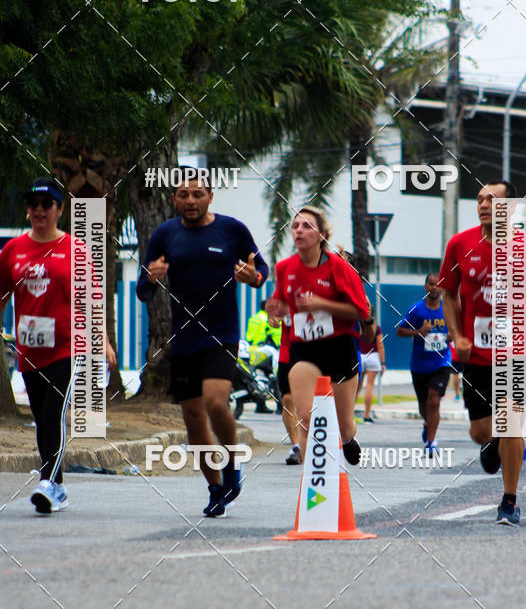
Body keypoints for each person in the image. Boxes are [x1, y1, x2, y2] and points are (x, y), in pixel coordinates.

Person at [136, 170, 268, 517]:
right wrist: (150, 279)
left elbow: (261, 271)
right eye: (183, 195)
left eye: (197, 193)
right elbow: (142, 289)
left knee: (214, 402)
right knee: (192, 417)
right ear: (174, 199)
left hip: (221, 334)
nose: (190, 200)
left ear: (210, 196)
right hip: (183, 339)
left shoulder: (232, 230)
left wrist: (253, 277)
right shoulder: (165, 235)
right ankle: (215, 488)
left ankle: (231, 465)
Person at [438, 181, 526, 526]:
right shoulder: (459, 244)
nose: (483, 204)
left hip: (518, 349)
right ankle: (495, 442)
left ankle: (509, 501)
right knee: (480, 431)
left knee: (511, 420)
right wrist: (456, 335)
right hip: (475, 353)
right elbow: (448, 294)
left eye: (492, 199)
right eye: (479, 199)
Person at [0, 178, 117, 513]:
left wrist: (103, 342)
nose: (39, 210)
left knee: (53, 411)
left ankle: (46, 483)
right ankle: (59, 487)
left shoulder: (75, 250)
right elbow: (2, 292)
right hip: (29, 347)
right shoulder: (14, 250)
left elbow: (93, 300)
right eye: (33, 204)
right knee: (42, 417)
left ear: (59, 210)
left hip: (68, 345)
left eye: (46, 204)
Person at [266, 206, 370, 463]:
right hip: (304, 349)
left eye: (307, 226)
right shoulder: (284, 268)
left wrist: (323, 304)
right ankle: (317, 472)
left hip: (339, 347)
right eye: (295, 226)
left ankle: (347, 439)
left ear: (322, 235)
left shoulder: (339, 268)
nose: (299, 231)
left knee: (344, 424)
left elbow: (359, 310)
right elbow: (281, 302)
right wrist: (276, 312)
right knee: (306, 415)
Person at [396, 273, 451, 454]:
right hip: (419, 364)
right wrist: (418, 332)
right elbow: (400, 331)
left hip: (441, 361)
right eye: (431, 284)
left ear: (442, 288)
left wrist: (452, 336)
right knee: (424, 405)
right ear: (425, 286)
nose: (434, 288)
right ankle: (427, 421)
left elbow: (459, 330)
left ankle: (431, 442)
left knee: (434, 400)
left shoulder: (448, 310)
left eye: (438, 285)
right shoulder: (416, 310)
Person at [268, 312, 302, 464]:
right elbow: (273, 317)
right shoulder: (284, 290)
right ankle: (296, 447)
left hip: (311, 352)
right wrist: (273, 318)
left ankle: (310, 443)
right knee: (288, 399)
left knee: (308, 403)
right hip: (287, 353)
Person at [356, 320, 385, 422]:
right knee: (370, 385)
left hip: (360, 356)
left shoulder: (358, 326)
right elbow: (380, 345)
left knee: (357, 387)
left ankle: (350, 414)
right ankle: (367, 415)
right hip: (373, 356)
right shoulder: (376, 328)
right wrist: (383, 363)